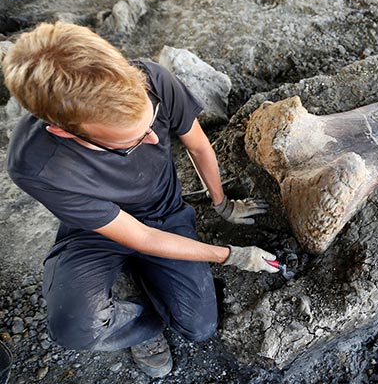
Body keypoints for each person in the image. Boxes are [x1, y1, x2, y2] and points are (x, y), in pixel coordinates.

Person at [2, 21, 279, 378]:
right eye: (129, 142)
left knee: (198, 328)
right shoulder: (35, 165)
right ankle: (141, 323)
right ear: (62, 130)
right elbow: (142, 238)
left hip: (162, 211)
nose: (152, 141)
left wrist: (221, 202)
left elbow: (196, 144)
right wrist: (233, 256)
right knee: (75, 326)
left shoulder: (152, 80)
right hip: (95, 231)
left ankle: (139, 277)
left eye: (150, 122)